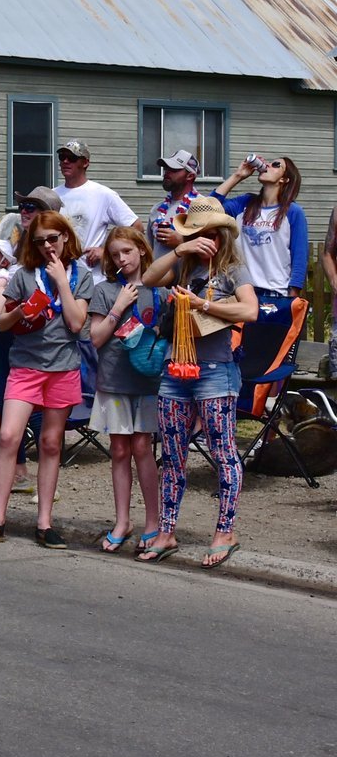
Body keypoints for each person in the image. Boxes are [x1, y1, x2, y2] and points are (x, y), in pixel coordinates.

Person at [135, 196, 259, 569]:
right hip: (176, 370)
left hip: (215, 373)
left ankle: (226, 530)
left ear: (222, 236)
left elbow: (249, 311)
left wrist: (204, 305)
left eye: (210, 235)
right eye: (197, 234)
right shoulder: (185, 267)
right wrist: (180, 249)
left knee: (223, 454)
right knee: (172, 456)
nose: (205, 241)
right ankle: (167, 531)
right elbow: (147, 278)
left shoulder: (234, 270)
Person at [0, 210, 93, 549]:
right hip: (25, 366)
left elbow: (77, 323)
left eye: (53, 239)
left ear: (65, 237)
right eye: (39, 242)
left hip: (63, 368)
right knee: (9, 436)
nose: (47, 246)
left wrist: (62, 283)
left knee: (51, 443)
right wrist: (19, 311)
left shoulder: (81, 276)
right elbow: (2, 323)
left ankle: (45, 522)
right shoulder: (23, 275)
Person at [85, 226, 162, 554]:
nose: (121, 259)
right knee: (119, 449)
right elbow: (96, 337)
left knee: (143, 447)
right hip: (114, 381)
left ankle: (153, 521)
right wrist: (118, 307)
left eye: (127, 252)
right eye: (115, 254)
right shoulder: (105, 290)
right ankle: (122, 521)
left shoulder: (159, 289)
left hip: (146, 382)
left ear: (142, 250)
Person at [215, 154, 307, 299]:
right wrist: (238, 175)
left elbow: (300, 257)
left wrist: (293, 294)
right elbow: (209, 208)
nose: (268, 165)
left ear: (284, 179)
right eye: (269, 163)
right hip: (242, 291)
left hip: (276, 292)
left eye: (276, 165)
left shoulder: (293, 212)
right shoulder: (244, 204)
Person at [54, 139, 138, 265]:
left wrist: (106, 251)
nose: (65, 161)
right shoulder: (52, 195)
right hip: (57, 272)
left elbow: (136, 227)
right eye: (62, 157)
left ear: (85, 163)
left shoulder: (103, 194)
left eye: (72, 158)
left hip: (92, 276)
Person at [148, 149, 200, 259]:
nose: (166, 173)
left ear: (190, 176)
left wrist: (182, 242)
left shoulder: (203, 206)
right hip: (159, 276)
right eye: (166, 168)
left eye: (173, 169)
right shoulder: (156, 210)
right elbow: (149, 250)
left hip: (190, 276)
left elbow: (215, 250)